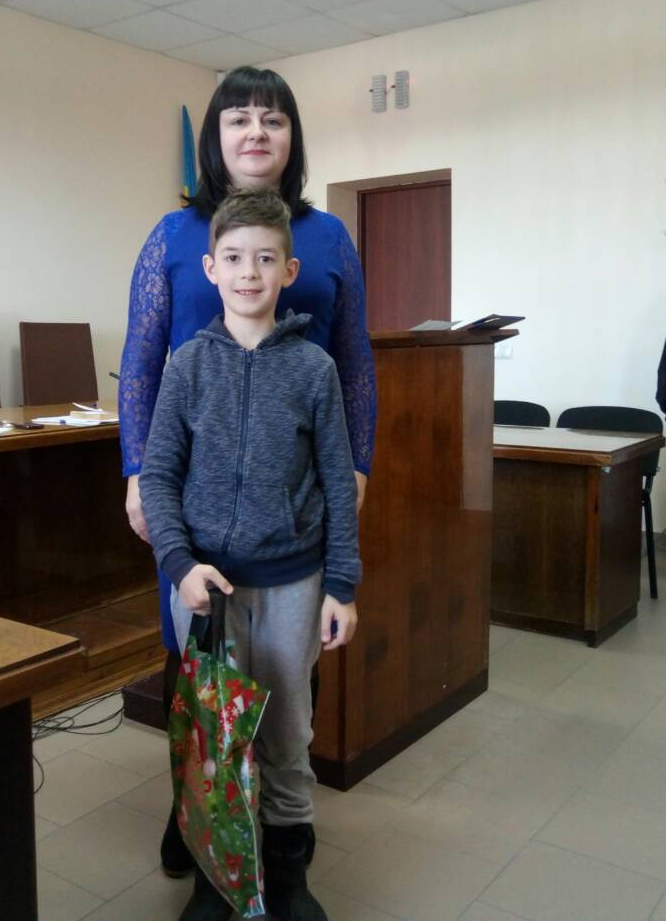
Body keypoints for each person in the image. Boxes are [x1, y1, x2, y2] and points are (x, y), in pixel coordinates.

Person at [118, 65, 376, 877]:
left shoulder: (328, 237)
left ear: (293, 136)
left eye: (273, 118)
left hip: (290, 500)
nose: (256, 132)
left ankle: (279, 824)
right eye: (239, 119)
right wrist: (137, 469)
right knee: (194, 656)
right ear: (215, 137)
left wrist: (357, 463)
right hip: (195, 502)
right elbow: (141, 360)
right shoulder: (172, 235)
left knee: (286, 676)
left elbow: (354, 361)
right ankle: (194, 808)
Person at [140, 189, 360, 921]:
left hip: (293, 582)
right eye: (233, 258)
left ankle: (289, 875)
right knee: (213, 736)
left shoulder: (314, 370)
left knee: (287, 731)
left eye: (266, 259)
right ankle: (214, 878)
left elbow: (337, 483)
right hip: (205, 586)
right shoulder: (187, 366)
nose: (249, 272)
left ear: (289, 270)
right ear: (211, 268)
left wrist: (342, 584)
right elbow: (159, 476)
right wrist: (180, 565)